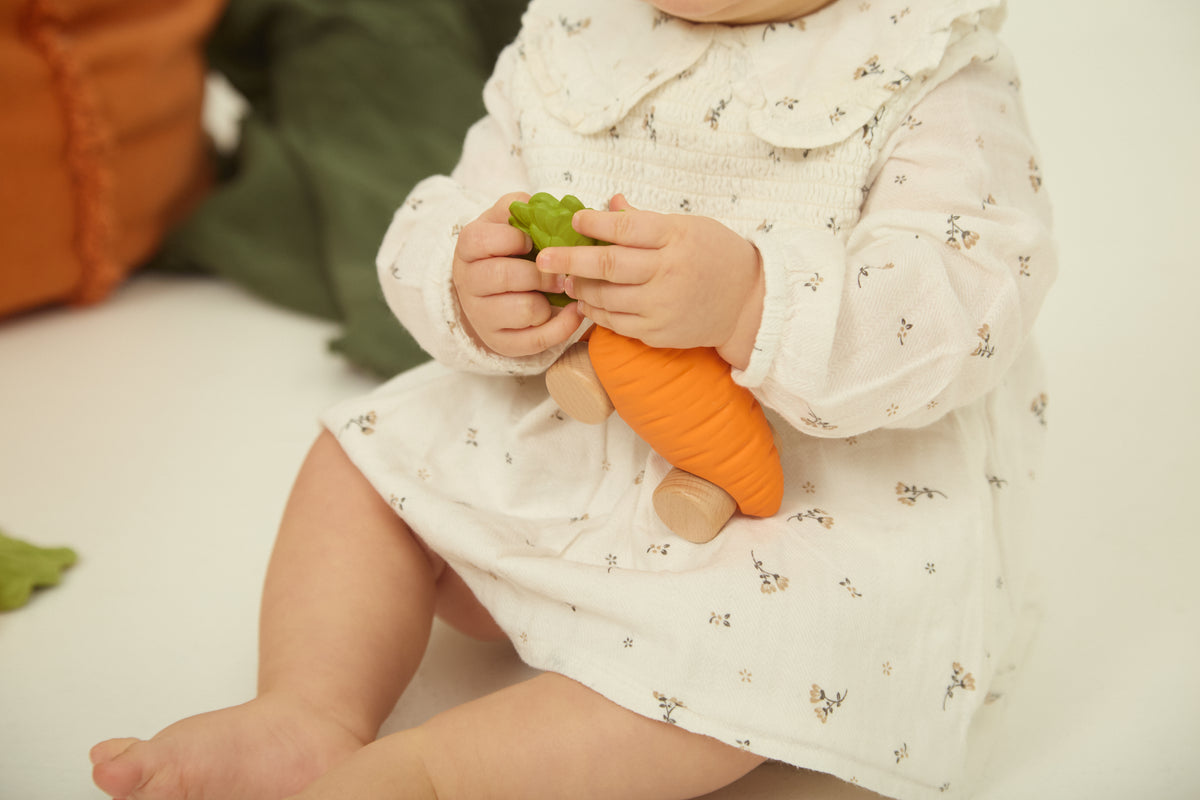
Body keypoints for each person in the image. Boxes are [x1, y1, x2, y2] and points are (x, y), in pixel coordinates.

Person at [90, 0, 1056, 797]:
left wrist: (755, 298)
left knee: (770, 643)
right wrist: (473, 284)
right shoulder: (576, 36)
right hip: (569, 425)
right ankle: (307, 709)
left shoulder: (923, 59)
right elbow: (455, 209)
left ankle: (432, 777)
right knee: (358, 464)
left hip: (792, 486)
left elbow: (968, 303)